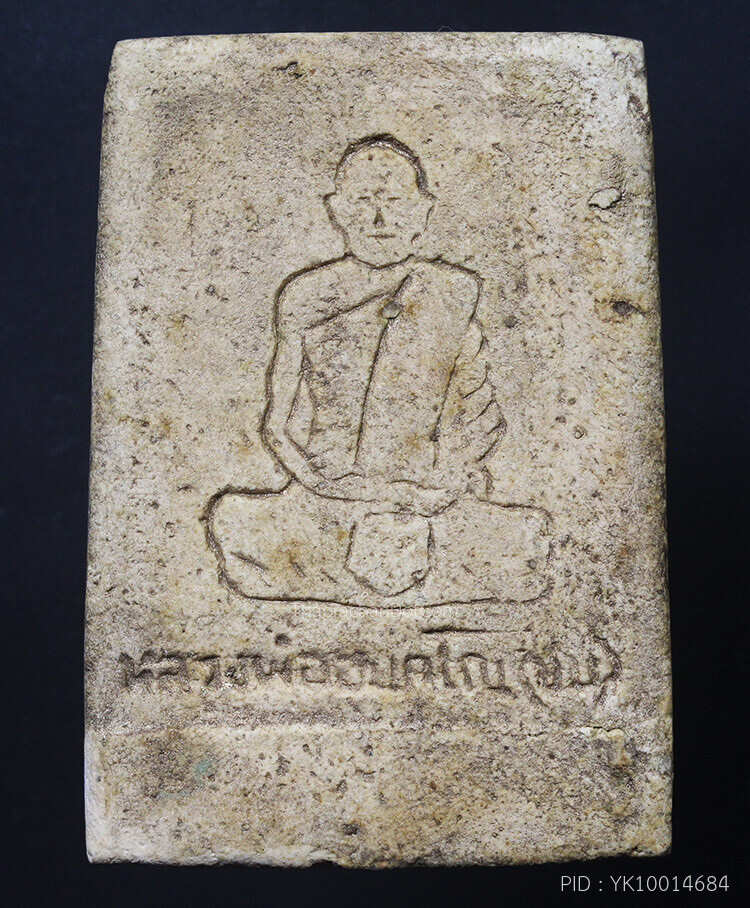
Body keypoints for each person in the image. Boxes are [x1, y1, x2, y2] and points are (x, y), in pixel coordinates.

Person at [207, 135, 549, 606]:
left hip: (426, 493)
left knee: (522, 540)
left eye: (394, 203)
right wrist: (333, 487)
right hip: (327, 491)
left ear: (423, 211)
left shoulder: (451, 290)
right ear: (337, 210)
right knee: (236, 523)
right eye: (364, 202)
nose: (379, 221)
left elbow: (476, 418)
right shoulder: (307, 295)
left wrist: (438, 489)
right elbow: (277, 429)